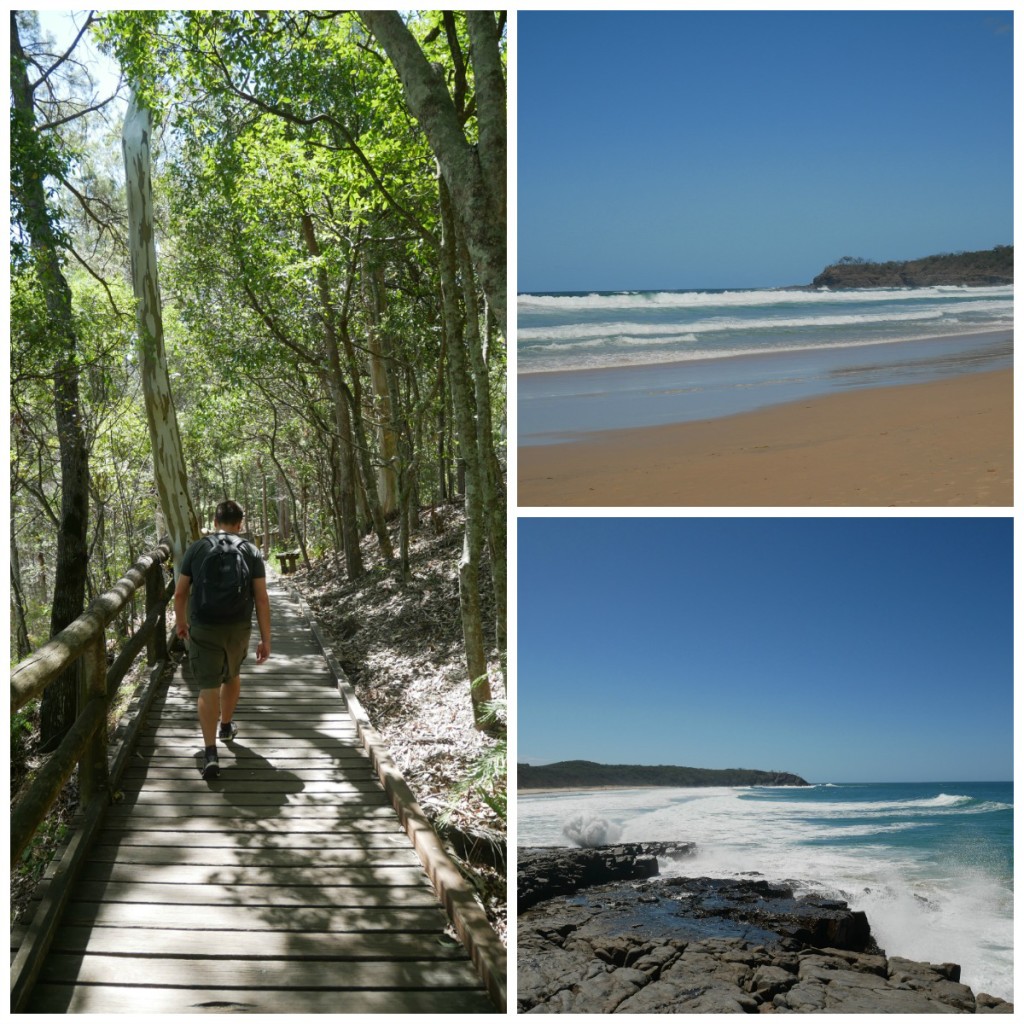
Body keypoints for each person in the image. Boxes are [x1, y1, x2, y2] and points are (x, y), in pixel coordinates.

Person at [173, 500, 271, 779]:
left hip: (203, 626)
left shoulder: (198, 548)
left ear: (214, 522)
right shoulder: (250, 551)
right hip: (238, 626)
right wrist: (266, 640)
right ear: (240, 524)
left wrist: (182, 622)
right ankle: (226, 726)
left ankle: (210, 753)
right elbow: (261, 599)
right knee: (232, 675)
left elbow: (180, 593)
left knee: (207, 687)